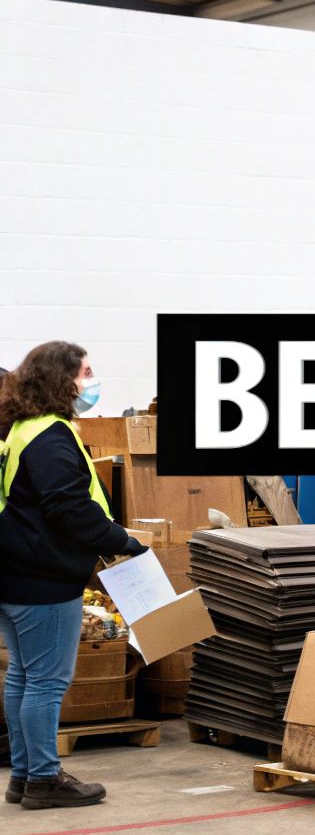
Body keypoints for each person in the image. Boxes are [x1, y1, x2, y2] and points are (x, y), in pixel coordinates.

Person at [0, 342, 144, 810]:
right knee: (46, 682)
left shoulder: (23, 429)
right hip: (42, 577)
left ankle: (24, 776)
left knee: (23, 676)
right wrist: (121, 540)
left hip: (16, 573)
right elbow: (68, 508)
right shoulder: (50, 436)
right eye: (86, 373)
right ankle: (43, 778)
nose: (91, 381)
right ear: (62, 380)